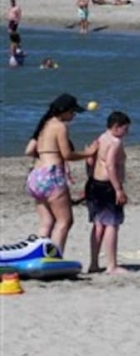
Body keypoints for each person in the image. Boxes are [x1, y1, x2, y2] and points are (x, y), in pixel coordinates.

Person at [25, 94, 92, 256]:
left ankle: (39, 255)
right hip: (51, 176)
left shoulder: (43, 125)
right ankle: (55, 257)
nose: (73, 115)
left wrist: (46, 155)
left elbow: (28, 151)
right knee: (65, 221)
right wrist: (88, 153)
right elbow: (67, 154)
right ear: (64, 111)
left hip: (35, 176)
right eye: (72, 112)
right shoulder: (60, 126)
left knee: (46, 221)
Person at [83, 111, 131, 276]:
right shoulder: (115, 142)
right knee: (111, 225)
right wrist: (118, 189)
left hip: (95, 184)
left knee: (98, 224)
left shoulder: (101, 138)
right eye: (126, 129)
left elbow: (89, 159)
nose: (127, 133)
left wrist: (90, 175)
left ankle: (94, 263)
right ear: (116, 127)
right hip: (107, 186)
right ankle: (112, 265)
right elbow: (110, 165)